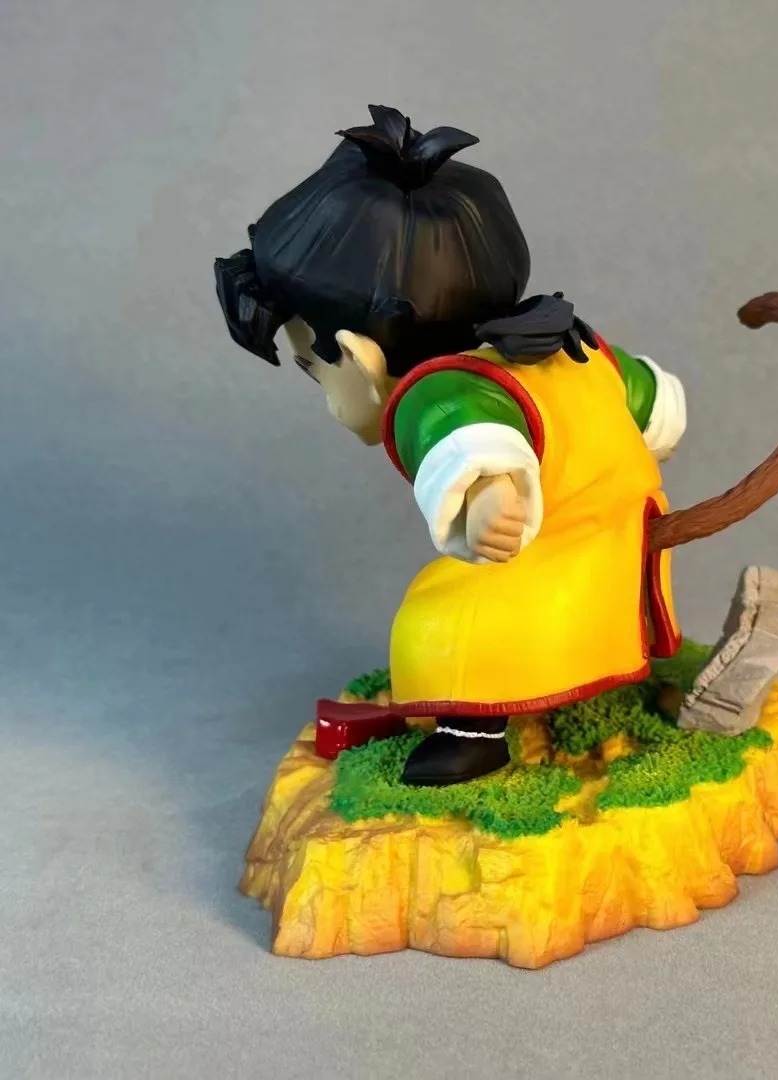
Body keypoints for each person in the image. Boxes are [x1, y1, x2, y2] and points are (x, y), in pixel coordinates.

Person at [214, 105, 687, 786]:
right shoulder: (569, 346)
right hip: (621, 539)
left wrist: (488, 494)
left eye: (315, 369)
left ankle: (472, 734)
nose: (323, 390)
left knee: (443, 617)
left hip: (552, 561)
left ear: (357, 356)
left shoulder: (438, 393)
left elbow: (474, 440)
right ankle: (584, 677)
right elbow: (651, 399)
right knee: (561, 617)